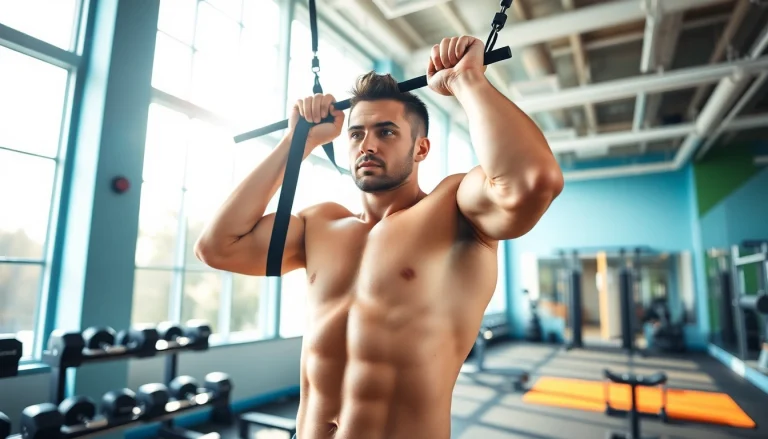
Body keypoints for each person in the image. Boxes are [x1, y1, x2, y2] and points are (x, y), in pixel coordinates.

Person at [195, 35, 563, 439]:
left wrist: (468, 81)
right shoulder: (321, 224)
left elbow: (532, 181)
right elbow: (217, 247)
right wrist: (296, 141)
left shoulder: (454, 209)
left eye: (386, 132)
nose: (366, 145)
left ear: (421, 148)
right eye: (355, 134)